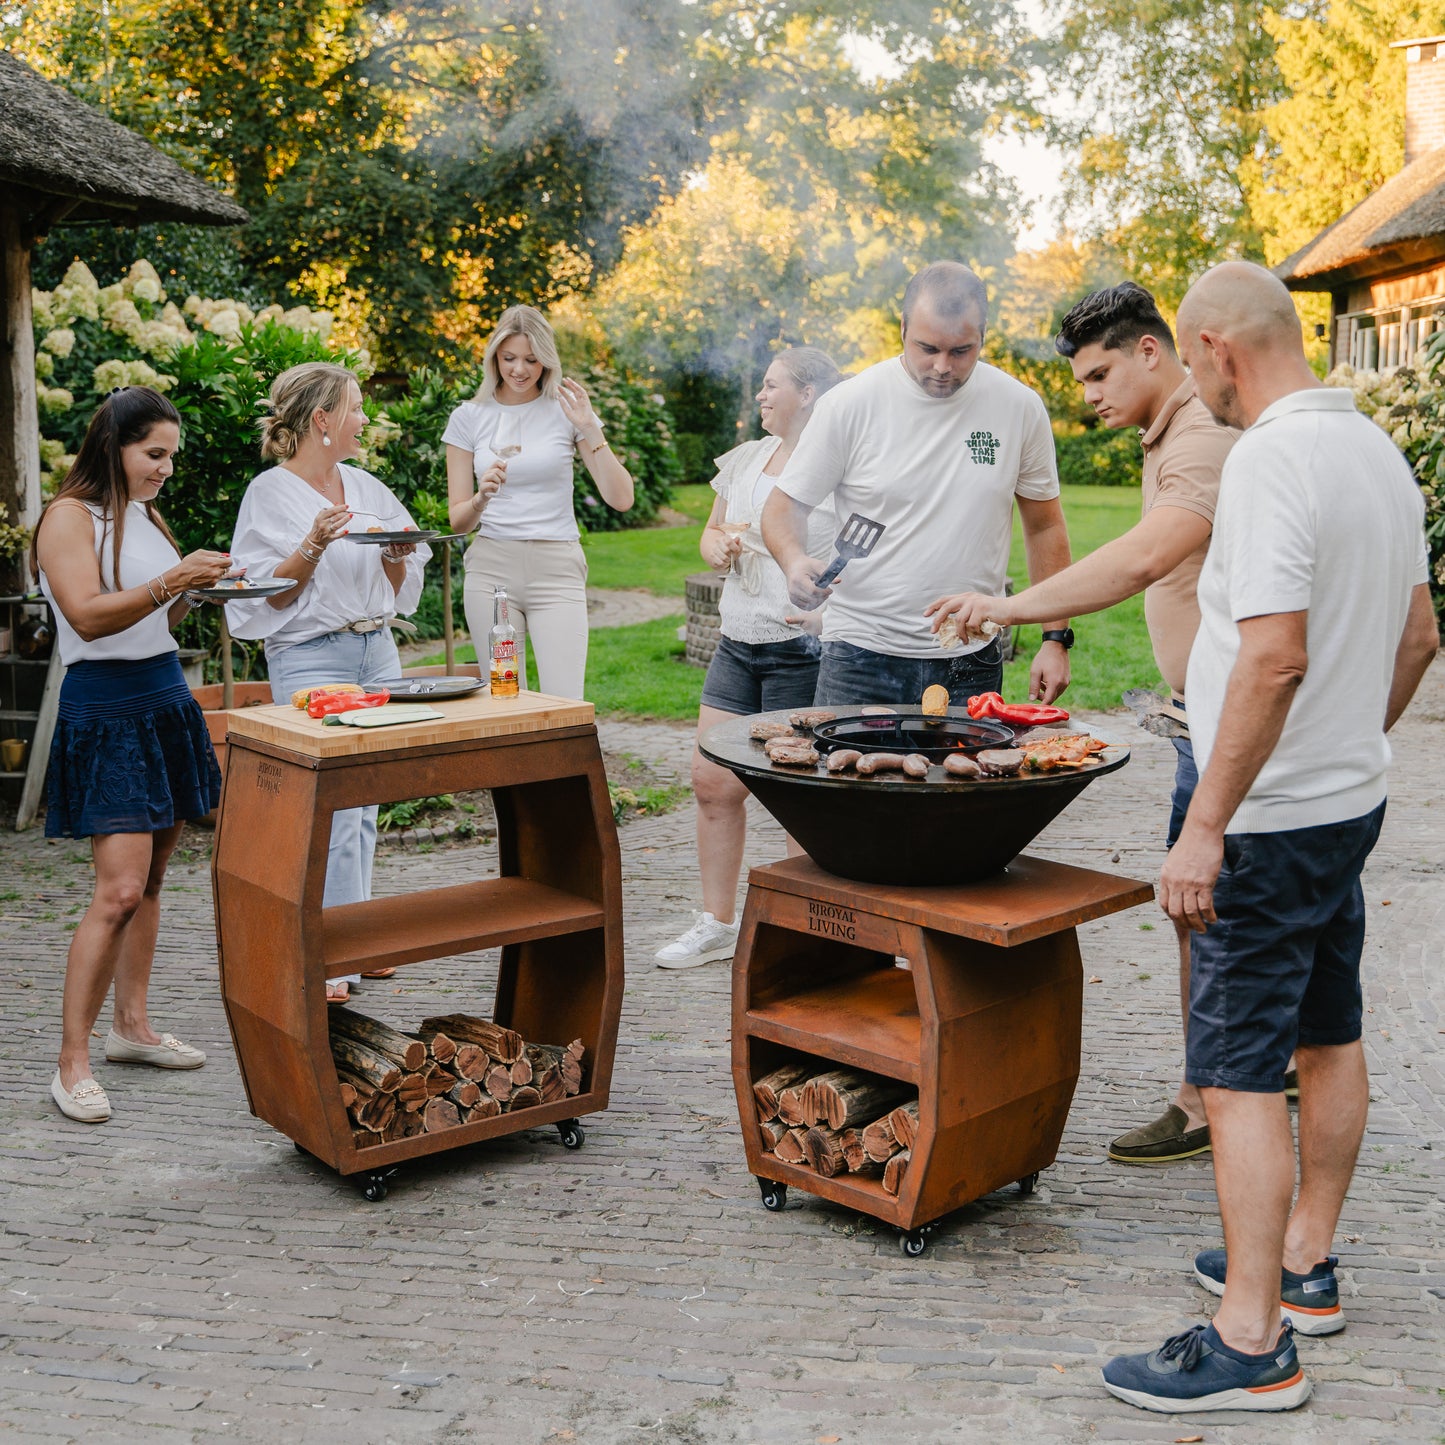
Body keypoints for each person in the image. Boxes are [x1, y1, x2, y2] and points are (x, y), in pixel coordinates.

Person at [1101, 262, 1438, 1414]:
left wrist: (1203, 827)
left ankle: (1249, 1338)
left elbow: (1271, 654)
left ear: (1207, 347)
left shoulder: (1269, 461)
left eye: (1192, 364)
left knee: (1239, 1072)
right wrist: (1346, 741)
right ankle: (1304, 1265)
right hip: (1342, 802)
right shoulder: (1376, 455)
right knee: (1327, 1031)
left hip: (1262, 821)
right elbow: (1416, 637)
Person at [926, 280, 1237, 1165]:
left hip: (1222, 724)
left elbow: (1140, 559)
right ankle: (1262, 1064)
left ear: (1151, 351)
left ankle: (1203, 1100)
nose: (1090, 394)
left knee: (1202, 910)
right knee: (1212, 912)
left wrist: (1010, 606)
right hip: (1198, 714)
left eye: (1100, 373)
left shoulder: (1201, 437)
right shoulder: (1173, 429)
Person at [33, 386, 235, 1122]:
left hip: (163, 698)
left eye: (171, 457)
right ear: (113, 447)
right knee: (117, 890)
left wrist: (199, 588)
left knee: (150, 882)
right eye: (155, 454)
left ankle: (132, 1029)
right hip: (108, 707)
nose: (166, 469)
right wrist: (171, 579)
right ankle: (70, 1064)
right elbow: (85, 614)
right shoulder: (67, 517)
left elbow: (162, 610)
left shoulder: (144, 514)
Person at [761, 261, 1074, 708]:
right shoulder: (851, 404)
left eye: (961, 350)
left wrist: (1055, 637)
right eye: (927, 347)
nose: (943, 367)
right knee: (849, 777)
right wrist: (793, 560)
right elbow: (782, 507)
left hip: (970, 654)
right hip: (858, 654)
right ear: (903, 326)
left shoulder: (1019, 407)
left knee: (963, 778)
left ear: (983, 334)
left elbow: (1045, 526)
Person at [227, 362, 431, 1005]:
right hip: (314, 655)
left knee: (366, 804)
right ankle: (325, 953)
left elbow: (398, 583)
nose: (364, 418)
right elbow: (267, 596)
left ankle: (358, 938)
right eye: (356, 407)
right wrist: (314, 543)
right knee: (328, 810)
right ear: (322, 420)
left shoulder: (366, 485)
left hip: (378, 647)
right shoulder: (270, 493)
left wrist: (397, 558)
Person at [655, 347, 842, 969]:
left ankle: (802, 931)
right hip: (738, 646)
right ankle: (715, 923)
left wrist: (827, 612)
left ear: (810, 393)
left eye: (772, 387)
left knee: (797, 799)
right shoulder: (746, 460)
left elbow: (861, 560)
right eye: (760, 387)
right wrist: (716, 548)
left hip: (800, 651)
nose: (761, 397)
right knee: (712, 782)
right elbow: (712, 529)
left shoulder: (839, 466)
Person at [443, 305, 634, 699]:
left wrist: (588, 427)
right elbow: (458, 522)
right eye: (509, 358)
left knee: (565, 703)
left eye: (531, 359)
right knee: (504, 701)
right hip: (491, 573)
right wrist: (482, 496)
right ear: (494, 357)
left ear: (547, 360)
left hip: (556, 569)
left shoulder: (568, 411)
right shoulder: (469, 417)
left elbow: (621, 498)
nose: (519, 369)